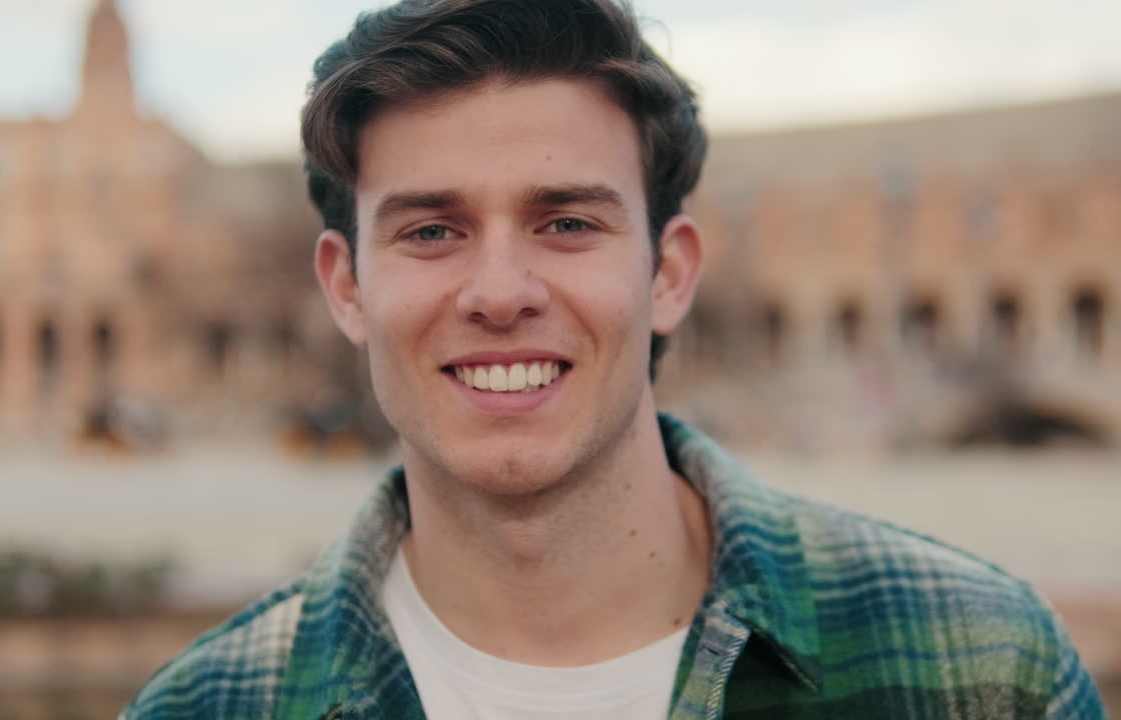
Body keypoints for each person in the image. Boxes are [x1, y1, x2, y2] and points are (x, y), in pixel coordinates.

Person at [122, 1, 1105, 718]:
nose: (499, 291)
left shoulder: (977, 669)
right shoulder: (207, 707)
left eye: (564, 221)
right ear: (344, 289)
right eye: (430, 231)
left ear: (668, 272)